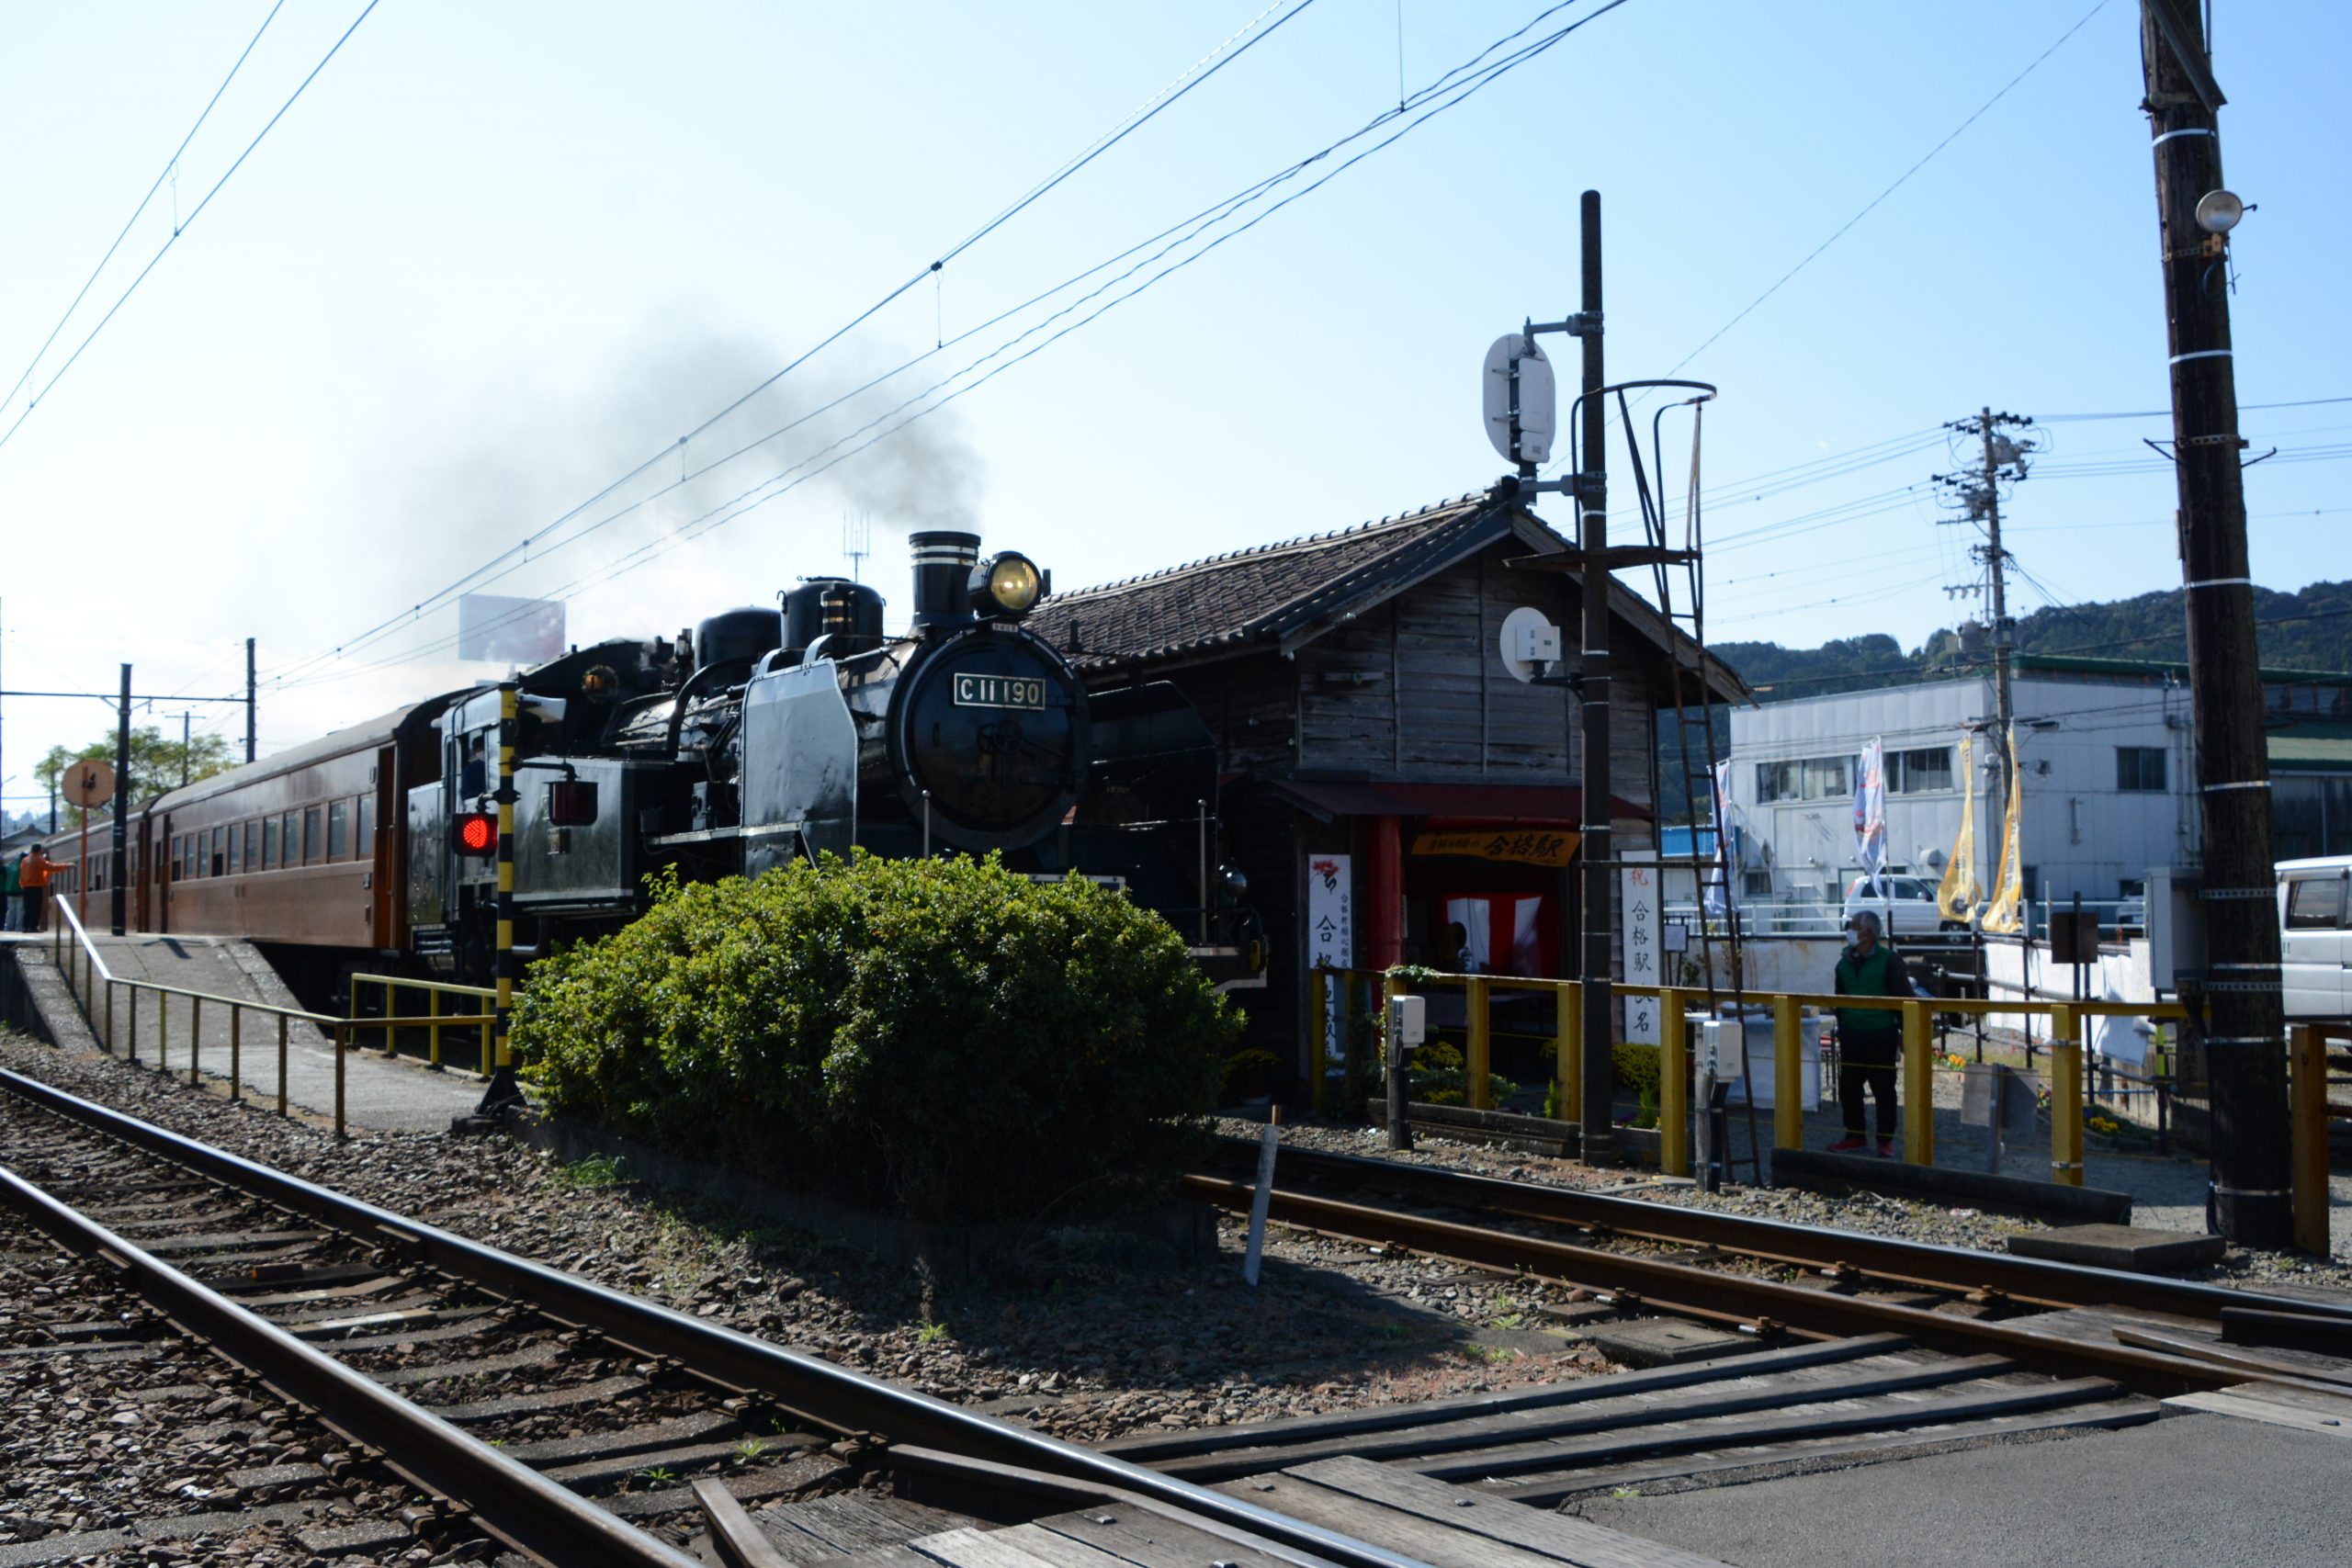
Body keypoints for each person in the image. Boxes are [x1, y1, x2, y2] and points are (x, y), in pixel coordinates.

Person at [1828, 908, 1917, 1157]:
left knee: (1884, 1089)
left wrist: (1905, 1036)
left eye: (1855, 926)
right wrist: (1842, 1028)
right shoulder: (1843, 962)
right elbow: (1840, 999)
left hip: (1881, 1035)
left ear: (1869, 932)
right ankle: (1855, 1135)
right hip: (1852, 1035)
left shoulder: (1890, 960)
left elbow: (1904, 1000)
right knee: (1849, 1088)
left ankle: (1884, 1140)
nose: (1851, 930)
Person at [18, 845, 57, 932]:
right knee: (36, 907)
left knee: (27, 908)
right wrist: (67, 866)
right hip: (36, 887)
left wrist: (22, 885)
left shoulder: (25, 860)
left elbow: (22, 875)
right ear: (39, 851)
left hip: (26, 888)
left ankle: (25, 927)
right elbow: (51, 868)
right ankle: (33, 927)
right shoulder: (39, 860)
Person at [3, 851, 21, 932]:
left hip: (10, 891)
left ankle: (8, 927)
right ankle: (18, 928)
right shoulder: (23, 865)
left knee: (10, 911)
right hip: (20, 892)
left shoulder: (9, 866)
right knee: (20, 911)